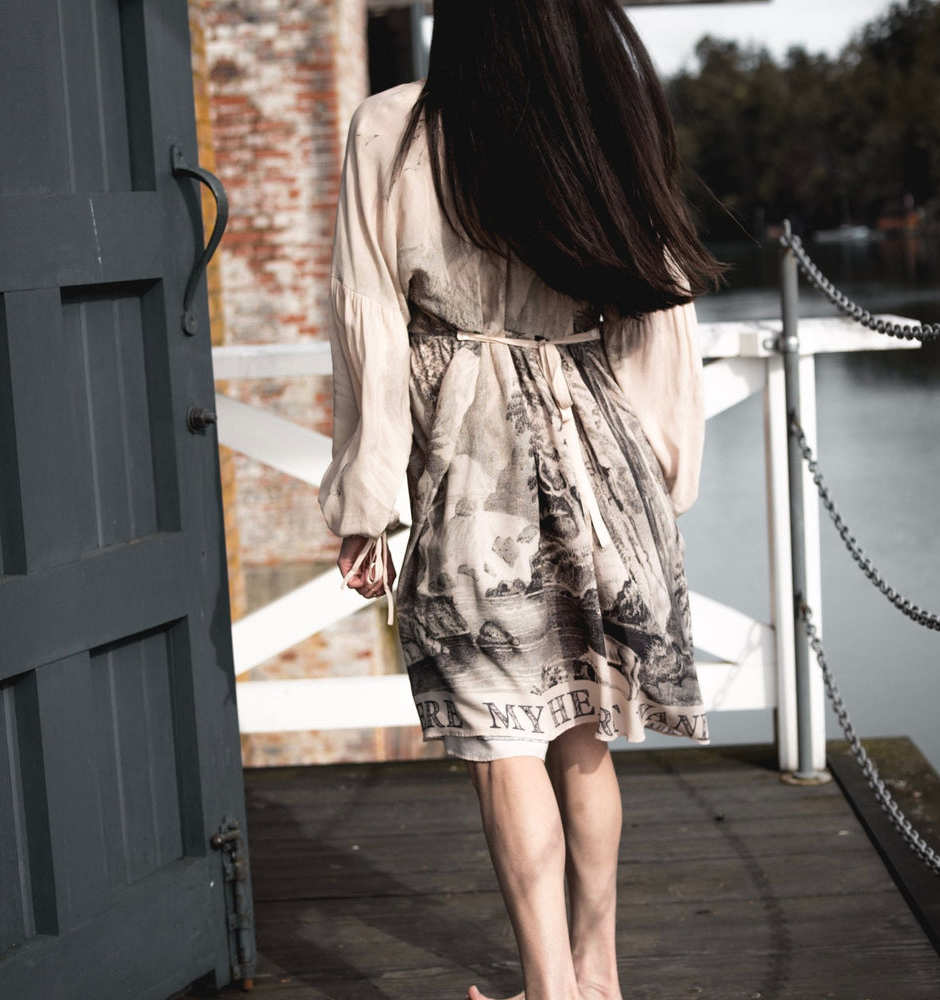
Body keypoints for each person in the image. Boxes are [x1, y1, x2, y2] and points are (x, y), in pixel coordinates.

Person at [319, 2, 725, 998]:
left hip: (470, 467)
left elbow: (368, 319)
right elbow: (659, 311)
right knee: (581, 731)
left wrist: (365, 491)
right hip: (601, 451)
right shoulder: (595, 129)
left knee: (502, 739)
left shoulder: (393, 127)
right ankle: (598, 978)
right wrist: (664, 473)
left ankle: (549, 989)